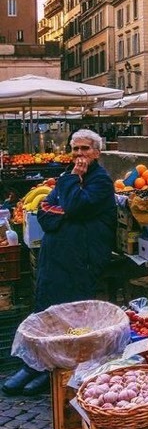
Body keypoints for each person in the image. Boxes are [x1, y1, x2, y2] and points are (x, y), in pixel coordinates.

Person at [2, 130, 117, 396]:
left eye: (85, 149)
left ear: (96, 152)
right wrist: (64, 205)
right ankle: (37, 364)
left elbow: (75, 207)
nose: (78, 154)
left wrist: (69, 197)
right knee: (47, 309)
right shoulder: (67, 177)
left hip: (82, 258)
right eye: (75, 149)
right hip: (56, 255)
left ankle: (56, 367)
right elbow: (45, 213)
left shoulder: (100, 182)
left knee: (70, 313)